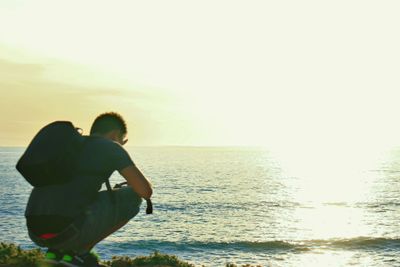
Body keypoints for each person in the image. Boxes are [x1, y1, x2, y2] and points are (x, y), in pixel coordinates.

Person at [24, 112, 153, 267]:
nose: (121, 145)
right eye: (122, 141)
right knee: (133, 197)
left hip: (35, 231)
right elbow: (145, 191)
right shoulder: (112, 148)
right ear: (116, 134)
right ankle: (79, 253)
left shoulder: (69, 147)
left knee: (77, 200)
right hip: (66, 231)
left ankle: (55, 253)